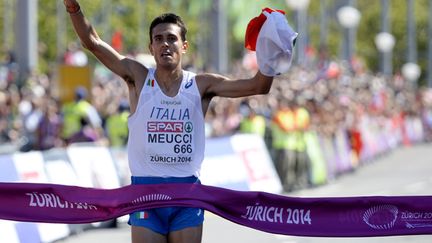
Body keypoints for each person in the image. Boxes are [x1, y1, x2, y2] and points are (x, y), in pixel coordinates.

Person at [63, 1, 279, 242]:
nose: (165, 43)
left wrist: (272, 50)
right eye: (158, 39)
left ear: (184, 45)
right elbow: (92, 42)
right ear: (151, 47)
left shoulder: (201, 85)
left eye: (171, 38)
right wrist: (74, 8)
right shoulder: (138, 77)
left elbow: (259, 85)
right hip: (145, 194)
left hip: (186, 195)